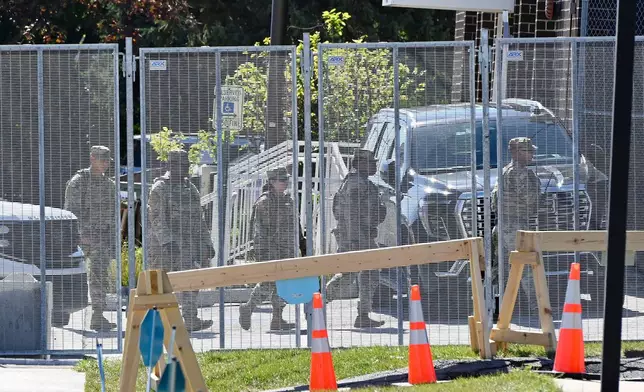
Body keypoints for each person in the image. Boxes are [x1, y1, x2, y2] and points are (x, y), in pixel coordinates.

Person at [147, 149, 215, 332]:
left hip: (188, 245)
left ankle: (191, 320)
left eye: (186, 166)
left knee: (191, 280)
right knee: (162, 286)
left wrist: (207, 243)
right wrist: (168, 242)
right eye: (179, 166)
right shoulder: (160, 188)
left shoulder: (189, 188)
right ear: (170, 165)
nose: (183, 170)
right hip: (164, 247)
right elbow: (156, 218)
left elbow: (199, 219)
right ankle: (156, 323)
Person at [326, 148, 387, 328]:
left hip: (363, 236)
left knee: (370, 273)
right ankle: (318, 304)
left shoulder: (362, 183)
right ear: (359, 164)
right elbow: (349, 213)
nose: (373, 166)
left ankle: (363, 314)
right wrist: (353, 239)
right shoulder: (355, 184)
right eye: (370, 163)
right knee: (348, 275)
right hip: (355, 238)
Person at [238, 167, 300, 331]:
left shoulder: (288, 200)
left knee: (285, 284)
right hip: (270, 250)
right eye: (282, 180)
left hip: (287, 249)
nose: (285, 183)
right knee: (268, 283)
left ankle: (277, 318)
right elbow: (260, 232)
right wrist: (264, 253)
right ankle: (248, 308)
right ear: (272, 182)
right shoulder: (264, 202)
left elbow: (295, 225)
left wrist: (299, 242)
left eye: (286, 180)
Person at [64, 145, 117, 331]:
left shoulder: (109, 185)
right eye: (100, 159)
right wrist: (80, 236)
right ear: (92, 158)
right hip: (81, 239)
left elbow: (112, 215)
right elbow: (71, 212)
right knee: (70, 275)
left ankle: (97, 316)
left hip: (101, 239)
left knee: (99, 277)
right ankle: (58, 312)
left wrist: (111, 238)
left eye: (107, 160)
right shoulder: (79, 181)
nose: (104, 163)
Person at [491, 137, 542, 315]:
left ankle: (497, 307)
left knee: (501, 269)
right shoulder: (518, 172)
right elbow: (530, 199)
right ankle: (539, 308)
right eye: (528, 151)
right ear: (517, 152)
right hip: (515, 225)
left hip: (503, 225)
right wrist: (538, 188)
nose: (532, 154)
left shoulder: (506, 171)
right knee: (526, 265)